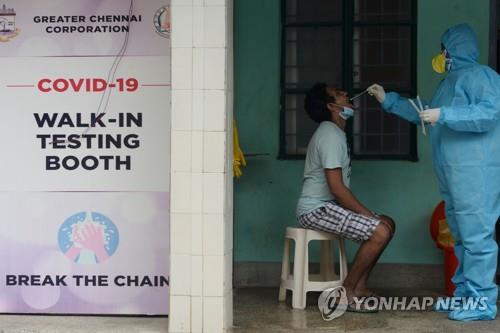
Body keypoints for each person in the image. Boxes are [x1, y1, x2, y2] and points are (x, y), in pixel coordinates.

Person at [367, 23, 500, 321]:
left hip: (475, 172)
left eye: (444, 50)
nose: (441, 55)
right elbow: (427, 113)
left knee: (476, 236)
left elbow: (490, 113)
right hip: (453, 174)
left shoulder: (483, 76)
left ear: (455, 50)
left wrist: (446, 114)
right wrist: (389, 101)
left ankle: (482, 303)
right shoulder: (448, 83)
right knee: (461, 236)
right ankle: (464, 296)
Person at [297, 83, 396, 312]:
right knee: (380, 230)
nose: (345, 93)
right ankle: (345, 295)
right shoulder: (330, 135)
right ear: (332, 106)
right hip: (316, 209)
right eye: (338, 94)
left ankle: (359, 287)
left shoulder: (336, 132)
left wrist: (372, 217)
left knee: (388, 223)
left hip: (328, 206)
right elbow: (337, 189)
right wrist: (370, 216)